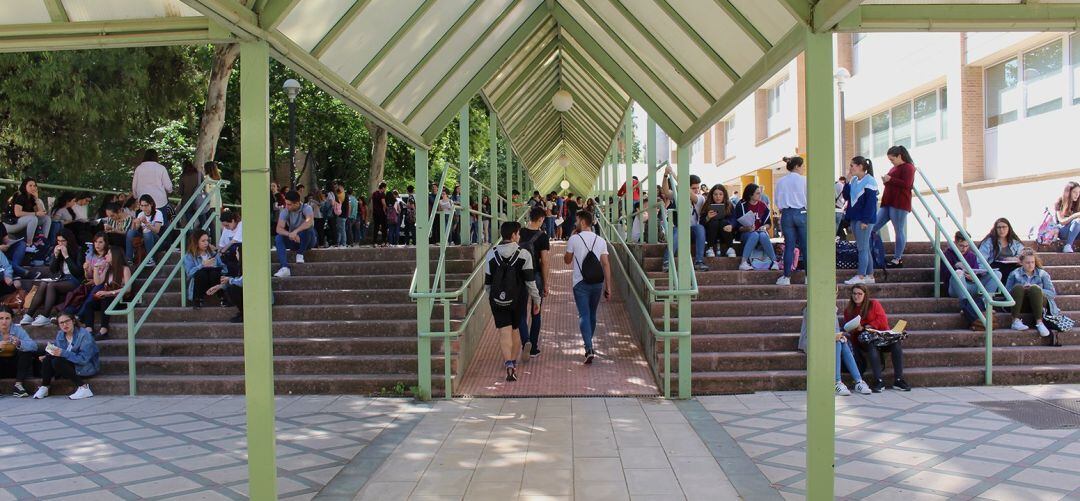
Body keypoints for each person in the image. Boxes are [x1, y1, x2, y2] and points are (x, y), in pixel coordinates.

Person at [484, 222, 541, 382]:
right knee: (515, 330)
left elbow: (488, 283)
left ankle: (508, 362)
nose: (520, 236)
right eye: (519, 234)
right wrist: (536, 301)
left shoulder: (491, 254)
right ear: (514, 235)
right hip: (518, 300)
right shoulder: (524, 254)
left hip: (497, 300)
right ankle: (514, 363)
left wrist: (493, 298)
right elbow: (530, 282)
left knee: (504, 332)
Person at [564, 210, 613, 364]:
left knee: (583, 315)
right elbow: (605, 264)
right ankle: (589, 343)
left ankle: (589, 347)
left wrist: (572, 238)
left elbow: (567, 260)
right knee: (592, 314)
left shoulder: (574, 239)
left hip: (580, 283)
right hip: (597, 283)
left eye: (577, 220)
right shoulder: (600, 240)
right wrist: (608, 287)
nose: (575, 223)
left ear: (583, 222)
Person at [842, 284, 910, 392]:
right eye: (854, 293)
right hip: (865, 341)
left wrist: (866, 326)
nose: (856, 296)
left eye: (860, 294)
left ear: (865, 295)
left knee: (896, 344)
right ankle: (879, 380)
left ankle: (899, 379)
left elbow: (882, 321)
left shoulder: (874, 304)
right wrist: (858, 329)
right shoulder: (848, 310)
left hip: (882, 337)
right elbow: (848, 329)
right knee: (871, 344)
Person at [796, 304, 872, 396]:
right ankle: (837, 382)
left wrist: (840, 335)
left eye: (836, 293)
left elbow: (835, 331)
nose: (834, 296)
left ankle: (859, 382)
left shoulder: (832, 308)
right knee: (837, 343)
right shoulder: (810, 309)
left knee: (841, 342)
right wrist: (833, 337)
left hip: (828, 340)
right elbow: (816, 332)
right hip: (811, 341)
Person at [22, 229, 84, 327]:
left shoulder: (79, 250)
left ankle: (46, 316)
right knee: (43, 284)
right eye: (59, 241)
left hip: (75, 280)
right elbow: (53, 270)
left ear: (69, 240)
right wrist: (55, 256)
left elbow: (78, 272)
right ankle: (29, 314)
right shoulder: (58, 250)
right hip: (62, 279)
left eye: (63, 241)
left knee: (51, 285)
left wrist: (66, 256)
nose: (61, 243)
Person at [32, 312, 99, 400]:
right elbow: (58, 351)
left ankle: (83, 387)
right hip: (69, 365)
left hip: (85, 367)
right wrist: (49, 354)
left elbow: (83, 359)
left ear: (73, 321)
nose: (65, 325)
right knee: (48, 358)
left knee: (57, 362)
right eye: (61, 323)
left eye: (67, 321)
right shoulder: (60, 334)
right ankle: (45, 386)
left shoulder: (84, 335)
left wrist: (62, 353)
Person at [942, 232, 996, 331]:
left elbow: (976, 271)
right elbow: (944, 277)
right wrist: (956, 267)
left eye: (967, 246)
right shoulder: (947, 254)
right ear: (955, 243)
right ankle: (965, 305)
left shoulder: (971, 255)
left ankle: (985, 303)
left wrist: (973, 276)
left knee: (997, 274)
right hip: (955, 288)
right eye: (961, 246)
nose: (964, 249)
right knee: (958, 272)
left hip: (972, 285)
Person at [660, 165, 709, 272]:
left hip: (693, 231)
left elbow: (690, 194)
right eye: (693, 188)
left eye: (698, 188)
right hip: (681, 229)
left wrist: (673, 174)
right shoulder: (679, 195)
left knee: (700, 228)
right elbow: (666, 191)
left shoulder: (700, 198)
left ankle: (699, 261)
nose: (696, 190)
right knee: (678, 230)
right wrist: (665, 175)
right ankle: (666, 262)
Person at [873, 145, 916, 268]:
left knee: (898, 230)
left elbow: (907, 184)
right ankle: (874, 252)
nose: (891, 162)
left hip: (899, 202)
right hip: (888, 202)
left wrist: (890, 179)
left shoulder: (908, 167)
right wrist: (887, 180)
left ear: (899, 156)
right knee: (873, 226)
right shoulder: (895, 168)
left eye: (892, 159)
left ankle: (898, 258)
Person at [517, 206, 550, 360]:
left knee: (521, 312)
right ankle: (534, 348)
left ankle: (525, 342)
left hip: (519, 276)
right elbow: (544, 262)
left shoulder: (519, 233)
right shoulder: (542, 236)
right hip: (535, 275)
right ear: (541, 219)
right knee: (536, 310)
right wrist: (546, 283)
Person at [78, 246, 130, 339]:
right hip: (108, 299)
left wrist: (109, 293)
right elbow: (98, 282)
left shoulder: (124, 269)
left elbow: (127, 289)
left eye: (109, 253)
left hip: (121, 299)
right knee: (89, 304)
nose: (106, 255)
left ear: (115, 255)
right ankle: (89, 330)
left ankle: (104, 331)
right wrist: (96, 268)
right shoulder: (108, 268)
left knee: (106, 299)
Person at [843, 156, 879, 285]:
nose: (850, 168)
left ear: (860, 166)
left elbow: (871, 204)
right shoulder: (853, 180)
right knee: (865, 248)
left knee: (862, 248)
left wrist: (865, 220)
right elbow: (846, 196)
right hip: (854, 218)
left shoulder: (870, 181)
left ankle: (861, 275)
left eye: (852, 165)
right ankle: (870, 275)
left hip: (864, 220)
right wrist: (846, 183)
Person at [1006, 248, 1057, 337]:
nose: (1031, 265)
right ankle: (1015, 321)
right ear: (1021, 263)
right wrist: (1022, 290)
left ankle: (1039, 322)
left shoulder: (1042, 274)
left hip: (1039, 304)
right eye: (1027, 262)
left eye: (1032, 262)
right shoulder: (1014, 274)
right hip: (1020, 304)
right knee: (1018, 287)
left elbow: (1052, 294)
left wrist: (1037, 289)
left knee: (1034, 289)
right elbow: (1006, 293)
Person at [774, 156, 808, 285]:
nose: (803, 169)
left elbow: (777, 200)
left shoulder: (781, 181)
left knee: (789, 246)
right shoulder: (804, 180)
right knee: (805, 247)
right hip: (801, 212)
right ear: (797, 166)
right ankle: (808, 277)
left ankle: (786, 276)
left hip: (786, 214)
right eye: (802, 166)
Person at [734, 183, 779, 271]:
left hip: (760, 232)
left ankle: (774, 262)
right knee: (754, 235)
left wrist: (764, 227)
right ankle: (743, 262)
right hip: (745, 232)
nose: (760, 195)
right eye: (757, 193)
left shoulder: (763, 205)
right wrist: (747, 228)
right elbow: (737, 226)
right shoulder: (741, 205)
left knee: (762, 235)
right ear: (750, 195)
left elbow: (768, 223)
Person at [273, 191, 315, 278]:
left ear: (296, 203)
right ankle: (284, 268)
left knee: (309, 229)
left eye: (289, 204)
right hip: (294, 240)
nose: (286, 206)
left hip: (307, 240)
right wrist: (290, 234)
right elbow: (279, 228)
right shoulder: (285, 211)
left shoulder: (307, 208)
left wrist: (296, 231)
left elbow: (309, 222)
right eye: (286, 204)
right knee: (278, 238)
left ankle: (300, 254)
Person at [4, 177, 50, 253]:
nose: (33, 187)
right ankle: (29, 244)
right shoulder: (20, 196)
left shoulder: (32, 198)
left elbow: (42, 213)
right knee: (33, 218)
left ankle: (42, 241)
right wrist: (35, 213)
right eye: (30, 185)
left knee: (46, 218)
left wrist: (36, 199)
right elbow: (17, 213)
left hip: (20, 222)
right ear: (25, 186)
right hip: (10, 224)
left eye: (34, 186)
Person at [0, 306, 37, 397]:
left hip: (16, 367)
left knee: (26, 352)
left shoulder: (18, 330)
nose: (4, 321)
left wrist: (19, 343)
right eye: (1, 318)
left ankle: (18, 385)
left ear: (12, 319)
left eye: (7, 318)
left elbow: (34, 346)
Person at [183, 229, 225, 308]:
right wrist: (202, 265)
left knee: (214, 272)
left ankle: (222, 298)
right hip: (200, 282)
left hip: (213, 280)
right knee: (201, 273)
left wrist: (215, 267)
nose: (206, 243)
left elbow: (224, 269)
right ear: (196, 242)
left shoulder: (213, 253)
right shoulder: (189, 256)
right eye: (203, 241)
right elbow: (189, 274)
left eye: (207, 240)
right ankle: (197, 300)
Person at [131, 149, 174, 221]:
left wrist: (136, 197)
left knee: (143, 224)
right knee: (160, 224)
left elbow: (134, 186)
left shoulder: (139, 168)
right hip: (160, 202)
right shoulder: (161, 168)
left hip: (143, 202)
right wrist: (170, 191)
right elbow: (168, 186)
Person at [979, 217, 1024, 281]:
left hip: (1012, 267)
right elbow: (981, 259)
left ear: (1009, 228)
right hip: (996, 268)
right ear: (995, 229)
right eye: (999, 227)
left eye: (1004, 227)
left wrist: (1014, 258)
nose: (1001, 230)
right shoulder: (988, 242)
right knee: (1005, 270)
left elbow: (1023, 255)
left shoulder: (1015, 243)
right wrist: (982, 273)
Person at [124, 195, 164, 265]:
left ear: (151, 204)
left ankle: (150, 259)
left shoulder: (158, 213)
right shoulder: (140, 214)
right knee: (130, 232)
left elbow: (157, 230)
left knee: (146, 231)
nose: (144, 208)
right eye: (142, 206)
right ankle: (129, 259)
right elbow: (134, 230)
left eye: (146, 205)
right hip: (144, 237)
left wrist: (146, 223)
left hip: (156, 238)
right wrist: (134, 222)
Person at [703, 184, 737, 258]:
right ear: (712, 195)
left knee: (724, 222)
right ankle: (710, 248)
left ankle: (730, 248)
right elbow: (701, 222)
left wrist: (731, 225)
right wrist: (708, 217)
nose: (718, 197)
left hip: (725, 233)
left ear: (724, 195)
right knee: (714, 222)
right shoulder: (707, 205)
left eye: (720, 194)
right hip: (711, 234)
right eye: (715, 194)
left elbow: (734, 219)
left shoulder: (729, 205)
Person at [1056, 181, 1080, 253]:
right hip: (1063, 231)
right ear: (1068, 192)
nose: (1077, 194)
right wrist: (1075, 215)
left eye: (1079, 192)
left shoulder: (1078, 203)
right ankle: (1068, 246)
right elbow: (1061, 221)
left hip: (1076, 232)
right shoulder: (1060, 202)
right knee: (1077, 221)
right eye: (1074, 192)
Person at [219, 210, 243, 277]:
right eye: (224, 226)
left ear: (232, 221)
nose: (226, 227)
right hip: (230, 254)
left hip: (238, 251)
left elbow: (234, 241)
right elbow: (221, 244)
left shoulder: (241, 224)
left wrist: (223, 250)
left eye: (227, 225)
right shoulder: (226, 229)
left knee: (234, 248)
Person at [371, 182, 388, 247]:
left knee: (376, 227)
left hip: (375, 213)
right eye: (385, 188)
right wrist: (385, 210)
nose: (385, 189)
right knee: (384, 227)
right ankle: (384, 242)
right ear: (383, 187)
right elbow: (383, 203)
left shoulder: (374, 193)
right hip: (381, 213)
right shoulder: (382, 194)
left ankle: (374, 242)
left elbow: (373, 203)